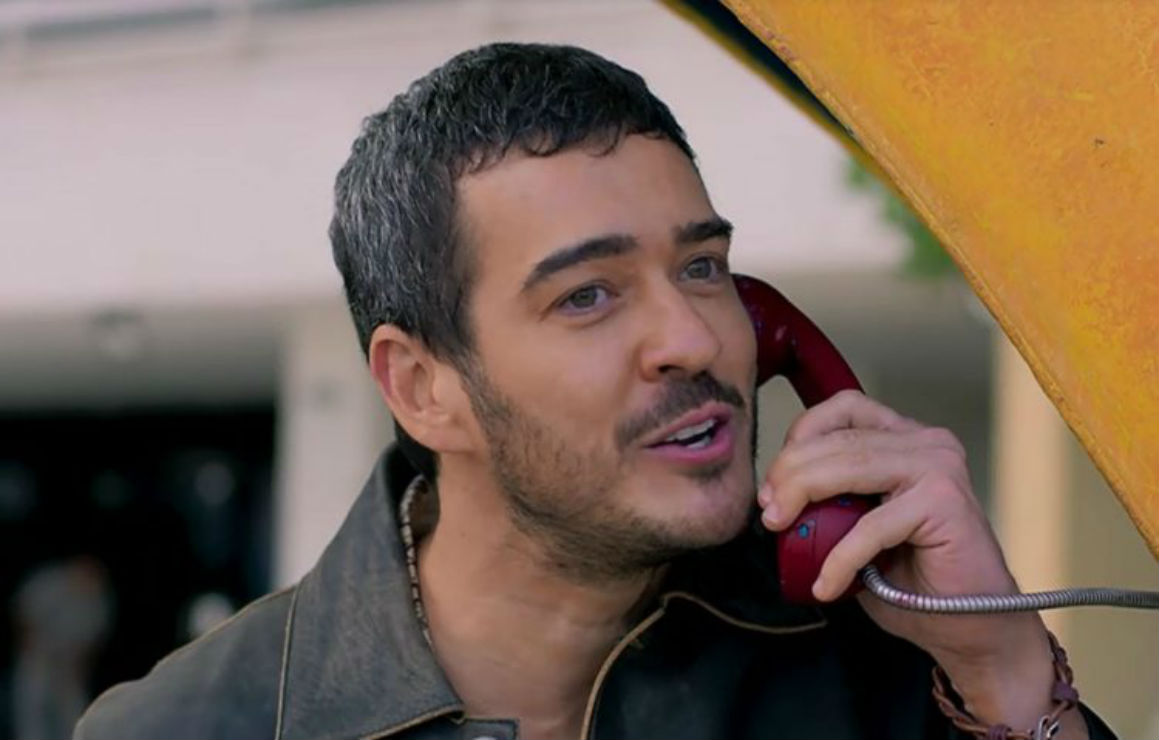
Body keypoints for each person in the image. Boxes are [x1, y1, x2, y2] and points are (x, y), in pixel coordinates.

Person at [74, 43, 1114, 740]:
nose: (692, 338)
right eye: (587, 295)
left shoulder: (889, 659)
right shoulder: (192, 723)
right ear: (423, 387)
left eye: (701, 267)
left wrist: (1005, 671)